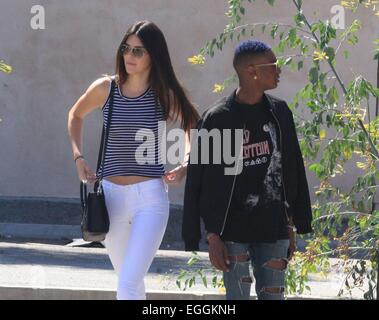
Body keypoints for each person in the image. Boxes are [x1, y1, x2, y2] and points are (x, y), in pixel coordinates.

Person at [68, 20, 199, 300]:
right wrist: (78, 156)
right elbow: (75, 115)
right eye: (126, 48)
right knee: (131, 281)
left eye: (138, 51)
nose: (129, 56)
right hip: (110, 199)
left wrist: (187, 161)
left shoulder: (163, 94)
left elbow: (193, 125)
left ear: (154, 55)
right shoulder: (106, 89)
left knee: (127, 285)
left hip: (149, 199)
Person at [182, 39, 312, 300]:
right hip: (232, 231)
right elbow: (199, 181)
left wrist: (293, 224)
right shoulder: (218, 118)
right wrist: (212, 236)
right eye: (273, 65)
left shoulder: (279, 113)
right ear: (252, 71)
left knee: (274, 297)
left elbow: (293, 167)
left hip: (273, 229)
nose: (279, 70)